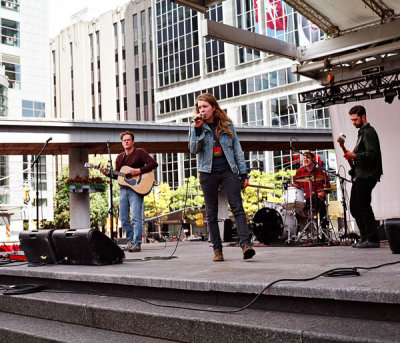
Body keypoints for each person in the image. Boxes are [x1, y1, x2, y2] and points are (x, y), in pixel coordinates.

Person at [188, 93, 255, 262]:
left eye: (205, 107)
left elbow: (237, 150)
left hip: (228, 170)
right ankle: (217, 250)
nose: (202, 110)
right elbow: (193, 149)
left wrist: (243, 172)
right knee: (211, 213)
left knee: (237, 208)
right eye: (199, 107)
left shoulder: (227, 125)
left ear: (214, 107)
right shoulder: (196, 126)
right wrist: (198, 129)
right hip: (207, 172)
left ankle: (246, 245)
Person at [100, 131, 158, 252]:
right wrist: (107, 174)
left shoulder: (140, 152)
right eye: (124, 140)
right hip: (123, 190)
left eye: (128, 139)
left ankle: (137, 243)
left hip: (136, 189)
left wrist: (139, 171)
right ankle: (131, 241)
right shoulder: (120, 157)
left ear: (133, 141)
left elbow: (154, 163)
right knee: (124, 218)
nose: (126, 141)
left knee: (136, 217)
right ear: (122, 143)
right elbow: (118, 176)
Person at [343, 105, 382, 248]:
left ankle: (372, 239)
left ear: (363, 117)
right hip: (361, 174)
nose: (353, 122)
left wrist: (355, 155)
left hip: (367, 175)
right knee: (354, 207)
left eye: (355, 119)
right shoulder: (362, 133)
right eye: (352, 120)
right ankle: (365, 237)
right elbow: (363, 155)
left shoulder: (369, 132)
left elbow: (372, 155)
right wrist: (353, 157)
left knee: (362, 205)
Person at [293, 152, 331, 242]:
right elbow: (296, 186)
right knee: (295, 209)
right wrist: (293, 186)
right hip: (304, 199)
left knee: (322, 208)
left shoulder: (321, 172)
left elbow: (328, 187)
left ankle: (324, 233)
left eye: (308, 158)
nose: (305, 159)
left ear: (313, 160)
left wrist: (323, 191)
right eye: (304, 158)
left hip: (317, 199)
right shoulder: (299, 172)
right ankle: (296, 234)